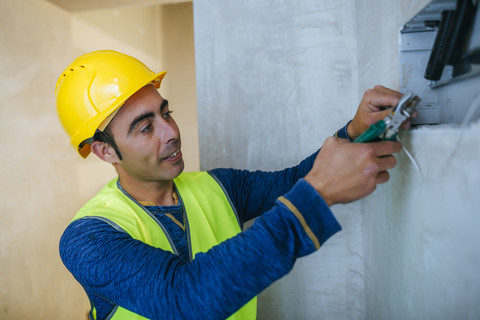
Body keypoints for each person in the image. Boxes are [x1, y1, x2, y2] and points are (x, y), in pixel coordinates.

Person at [56, 50, 405, 320]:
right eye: (145, 128)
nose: (172, 132)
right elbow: (185, 300)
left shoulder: (217, 186)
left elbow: (292, 181)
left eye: (166, 112)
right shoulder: (87, 239)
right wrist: (315, 197)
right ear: (105, 151)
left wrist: (354, 132)